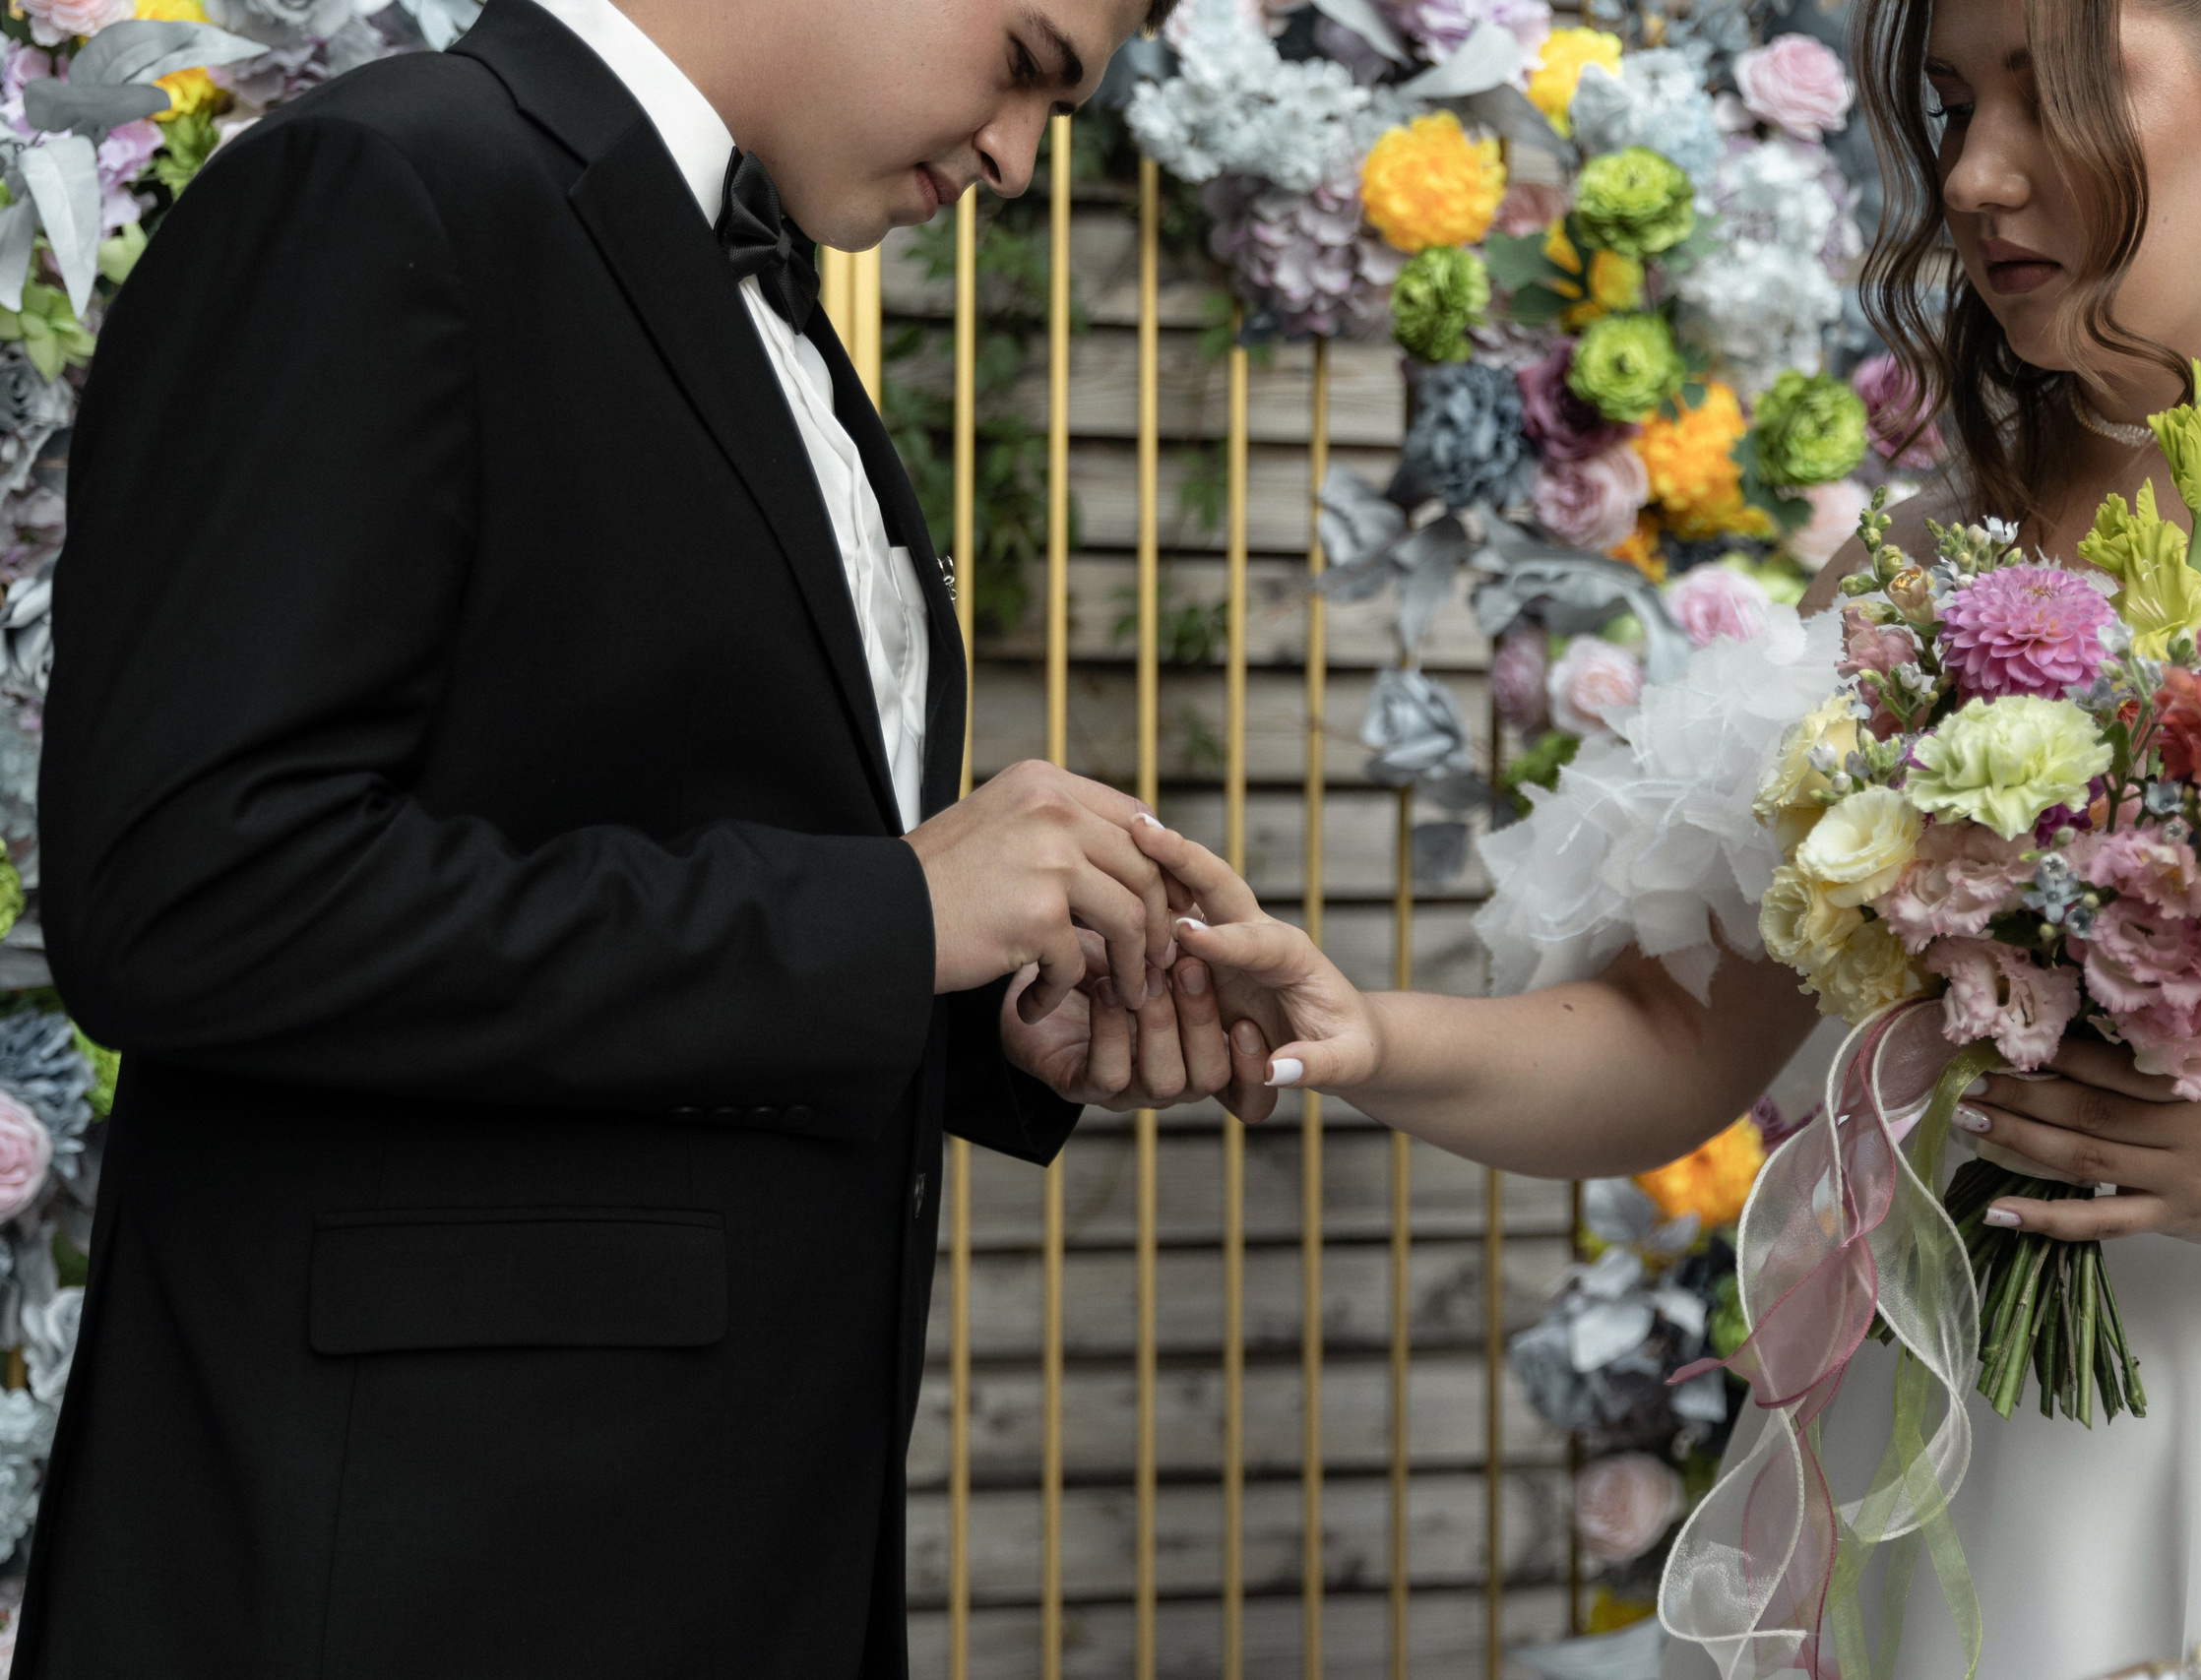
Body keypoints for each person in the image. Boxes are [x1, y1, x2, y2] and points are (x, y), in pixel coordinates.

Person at [1137, 0, 2201, 1670]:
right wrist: (1361, 1033)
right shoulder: (1937, 559)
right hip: (1995, 1483)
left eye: (2052, 93)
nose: (1978, 176)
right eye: (1952, 104)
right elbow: (1672, 1037)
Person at [17, 0, 1281, 1674]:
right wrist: (886, 922)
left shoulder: (746, 287)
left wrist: (979, 1013)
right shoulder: (385, 184)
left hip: (718, 1557)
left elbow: (626, 817)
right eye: (1026, 65)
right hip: (407, 1576)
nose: (1017, 161)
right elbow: (186, 890)